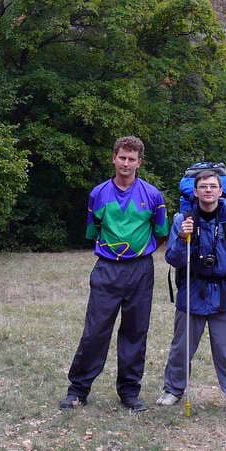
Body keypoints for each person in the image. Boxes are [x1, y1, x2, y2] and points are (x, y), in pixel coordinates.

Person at [60, 136, 168, 412]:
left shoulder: (153, 195)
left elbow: (161, 233)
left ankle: (129, 392)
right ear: (114, 158)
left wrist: (139, 252)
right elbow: (93, 231)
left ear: (139, 162)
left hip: (140, 270)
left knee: (135, 332)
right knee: (95, 332)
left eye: (132, 159)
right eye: (122, 157)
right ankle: (78, 390)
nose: (126, 163)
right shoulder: (98, 194)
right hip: (107, 268)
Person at [156, 169, 226, 414]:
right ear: (195, 191)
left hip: (224, 294)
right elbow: (173, 259)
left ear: (220, 191)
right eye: (203, 186)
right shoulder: (182, 220)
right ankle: (173, 390)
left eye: (212, 186)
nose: (208, 190)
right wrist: (182, 237)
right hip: (192, 290)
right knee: (181, 347)